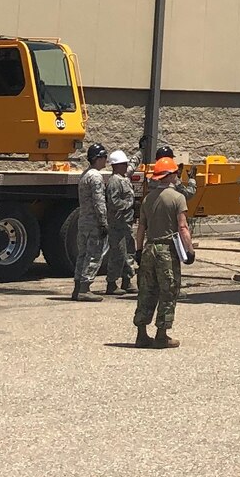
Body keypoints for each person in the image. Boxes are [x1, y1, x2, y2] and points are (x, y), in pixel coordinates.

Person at [133, 157, 192, 349]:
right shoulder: (178, 198)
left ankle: (141, 334)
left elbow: (141, 227)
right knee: (168, 291)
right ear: (171, 175)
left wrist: (139, 250)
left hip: (149, 248)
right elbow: (182, 227)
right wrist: (189, 250)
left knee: (146, 291)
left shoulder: (148, 199)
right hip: (167, 250)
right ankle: (161, 335)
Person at [72, 142, 109, 302]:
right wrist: (103, 222)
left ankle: (77, 287)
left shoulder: (85, 175)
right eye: (104, 157)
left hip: (83, 220)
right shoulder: (96, 177)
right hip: (94, 222)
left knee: (82, 255)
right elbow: (99, 202)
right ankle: (85, 288)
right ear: (98, 158)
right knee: (94, 255)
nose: (106, 160)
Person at [102, 149, 136, 295]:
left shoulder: (123, 179)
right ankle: (112, 282)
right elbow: (114, 202)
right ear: (116, 165)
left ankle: (127, 280)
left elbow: (133, 166)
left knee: (129, 252)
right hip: (117, 223)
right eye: (123, 164)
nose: (126, 165)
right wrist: (129, 204)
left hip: (126, 222)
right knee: (118, 253)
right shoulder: (115, 181)